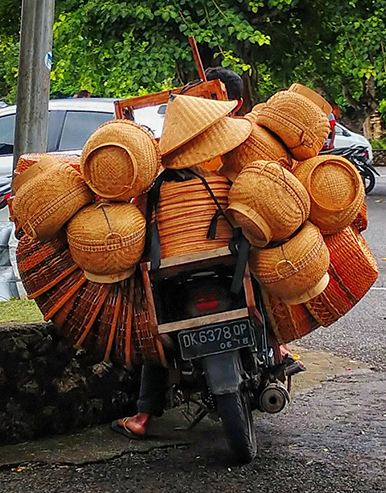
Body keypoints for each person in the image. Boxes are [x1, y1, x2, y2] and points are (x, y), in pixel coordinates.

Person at [111, 67, 304, 440]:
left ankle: (142, 417)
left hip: (170, 271)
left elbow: (135, 230)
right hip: (229, 262)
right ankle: (278, 352)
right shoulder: (230, 171)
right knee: (261, 281)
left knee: (156, 336)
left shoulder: (154, 186)